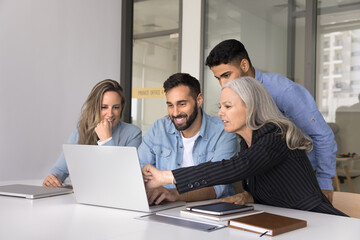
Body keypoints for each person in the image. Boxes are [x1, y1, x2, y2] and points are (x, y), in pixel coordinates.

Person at [142, 77, 347, 216]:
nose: (221, 113)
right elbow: (273, 188)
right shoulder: (248, 143)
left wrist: (167, 176)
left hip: (319, 221)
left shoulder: (275, 135)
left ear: (251, 106)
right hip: (286, 221)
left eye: (228, 106)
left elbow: (234, 167)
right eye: (220, 107)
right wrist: (246, 196)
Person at [205, 39, 337, 202]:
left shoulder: (283, 91)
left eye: (226, 75)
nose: (223, 84)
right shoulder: (235, 97)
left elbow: (322, 135)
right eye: (218, 78)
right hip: (268, 189)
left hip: (303, 184)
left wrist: (324, 181)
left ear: (244, 65)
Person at [138, 73, 238, 205]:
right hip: (165, 208)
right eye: (170, 105)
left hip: (211, 209)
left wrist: (173, 194)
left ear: (199, 100)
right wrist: (142, 175)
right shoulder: (160, 128)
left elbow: (217, 187)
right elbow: (136, 172)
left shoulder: (223, 131)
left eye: (182, 104)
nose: (175, 113)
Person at [43, 79, 142, 187]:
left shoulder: (133, 133)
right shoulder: (81, 130)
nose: (110, 114)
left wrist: (107, 140)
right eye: (104, 107)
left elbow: (123, 177)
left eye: (115, 107)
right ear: (94, 107)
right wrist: (53, 178)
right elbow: (60, 169)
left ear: (121, 108)